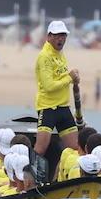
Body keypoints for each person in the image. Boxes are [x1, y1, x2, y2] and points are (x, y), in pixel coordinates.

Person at [33, 20, 81, 181]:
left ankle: (57, 181)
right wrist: (69, 78)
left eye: (63, 36)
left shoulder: (60, 54)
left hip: (63, 108)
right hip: (48, 108)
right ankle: (29, 180)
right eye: (57, 36)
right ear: (49, 37)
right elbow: (49, 86)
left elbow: (61, 78)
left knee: (74, 149)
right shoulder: (44, 57)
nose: (61, 39)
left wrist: (73, 78)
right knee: (40, 149)